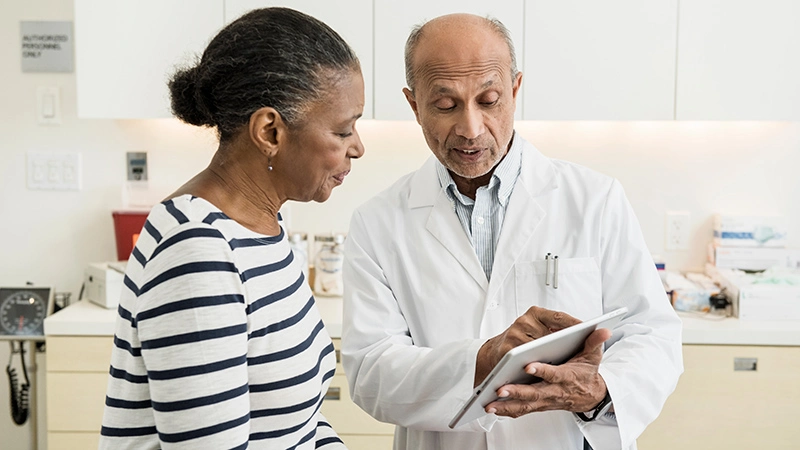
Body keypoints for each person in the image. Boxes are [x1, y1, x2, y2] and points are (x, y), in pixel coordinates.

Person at [341, 13, 683, 450]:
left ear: (515, 90)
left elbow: (652, 332)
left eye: (489, 100)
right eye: (445, 105)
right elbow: (371, 372)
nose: (470, 128)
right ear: (414, 104)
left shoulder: (595, 199)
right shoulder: (377, 222)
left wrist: (601, 392)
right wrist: (480, 362)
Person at [99, 7, 364, 449]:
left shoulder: (262, 230)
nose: (358, 146)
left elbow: (298, 425)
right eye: (342, 131)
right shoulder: (198, 249)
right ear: (270, 131)